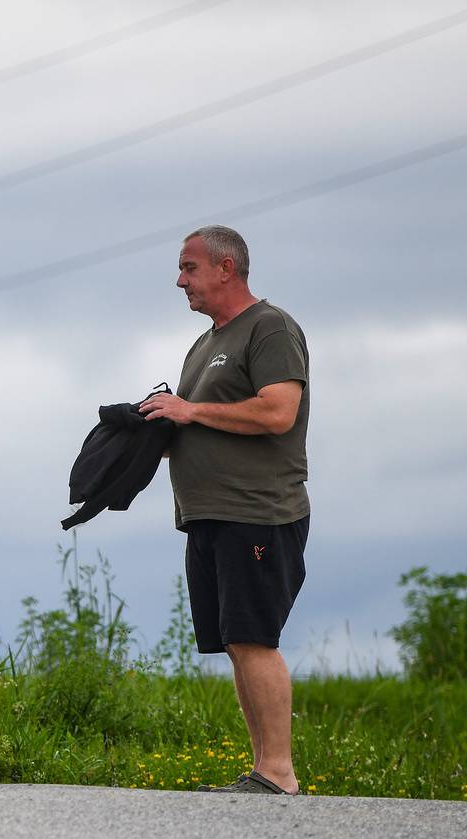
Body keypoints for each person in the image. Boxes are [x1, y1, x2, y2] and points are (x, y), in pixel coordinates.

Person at [141, 225, 310, 795]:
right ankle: (263, 770)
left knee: (255, 637)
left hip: (258, 511)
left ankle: (277, 773)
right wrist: (150, 432)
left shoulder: (270, 328)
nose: (180, 280)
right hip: (208, 514)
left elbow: (278, 412)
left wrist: (189, 413)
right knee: (236, 640)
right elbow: (197, 418)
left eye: (189, 268)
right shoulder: (206, 343)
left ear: (225, 269)